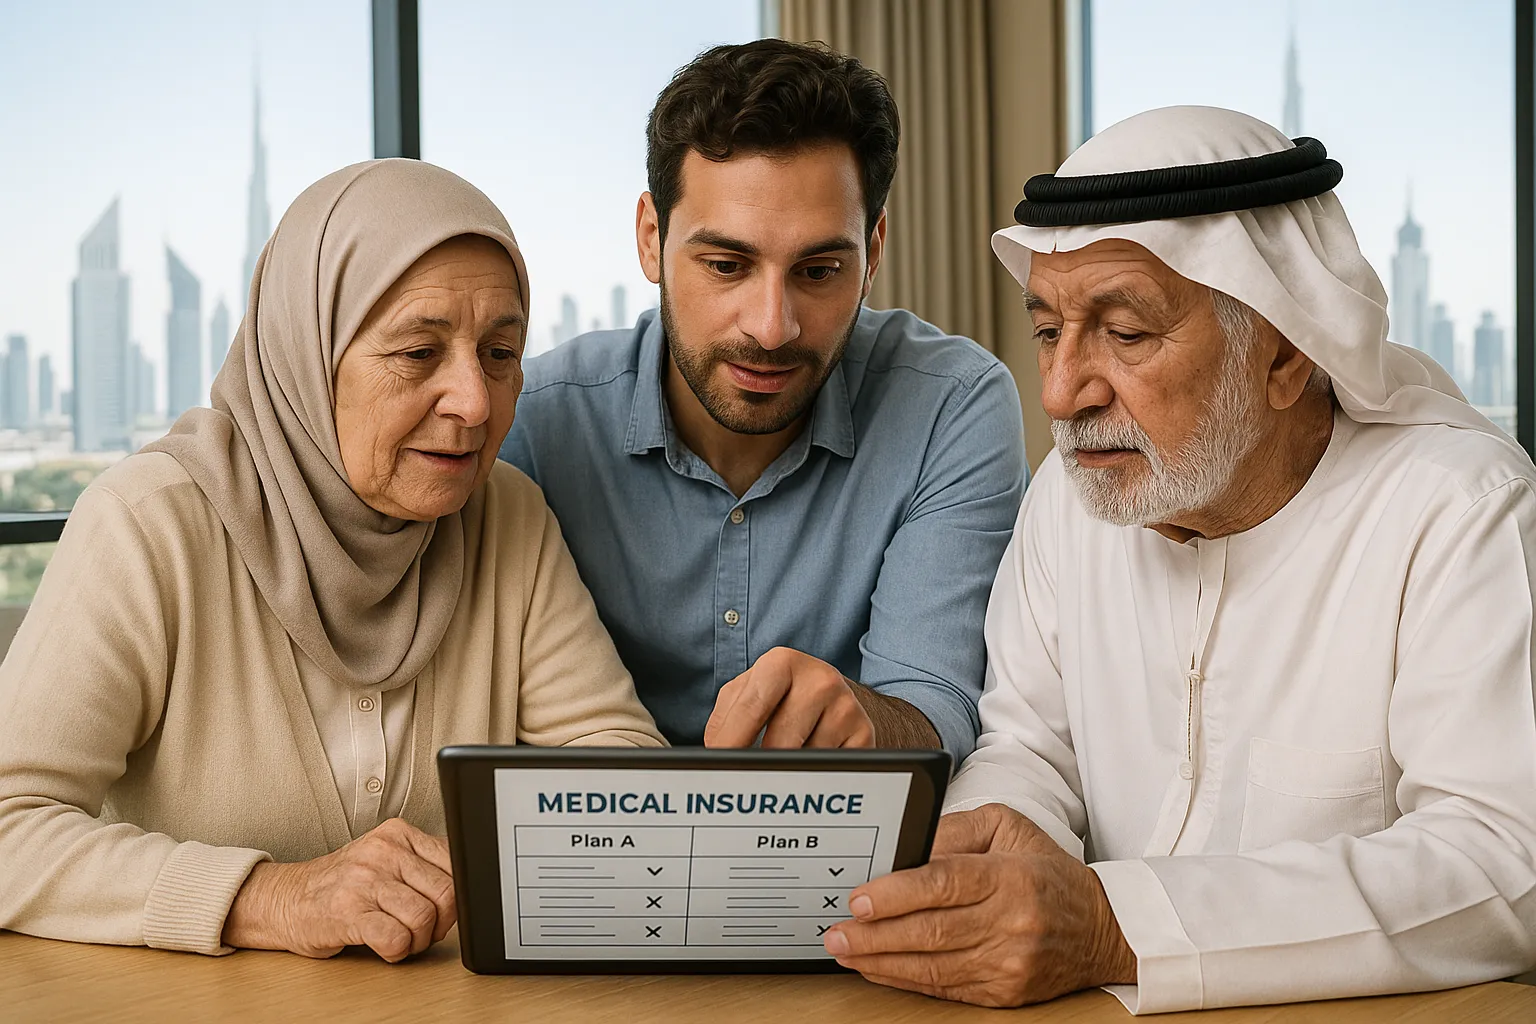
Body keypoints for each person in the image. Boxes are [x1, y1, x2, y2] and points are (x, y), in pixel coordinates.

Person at [822, 106, 1536, 1011]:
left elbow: (1503, 861)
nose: (1060, 392)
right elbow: (1027, 747)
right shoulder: (1070, 495)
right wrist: (991, 847)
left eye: (1125, 335)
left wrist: (1112, 927)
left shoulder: (1459, 511)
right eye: (1048, 331)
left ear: (1284, 353)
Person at [0, 159, 664, 962]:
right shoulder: (149, 526)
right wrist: (271, 899)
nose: (476, 403)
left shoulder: (506, 515)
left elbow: (623, 773)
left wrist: (514, 858)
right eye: (419, 353)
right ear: (305, 356)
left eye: (500, 353)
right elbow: (10, 826)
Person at [501, 40, 1025, 755]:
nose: (772, 328)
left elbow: (936, 704)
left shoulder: (952, 408)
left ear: (873, 253)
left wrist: (869, 721)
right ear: (651, 238)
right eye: (726, 264)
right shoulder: (537, 423)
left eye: (818, 270)